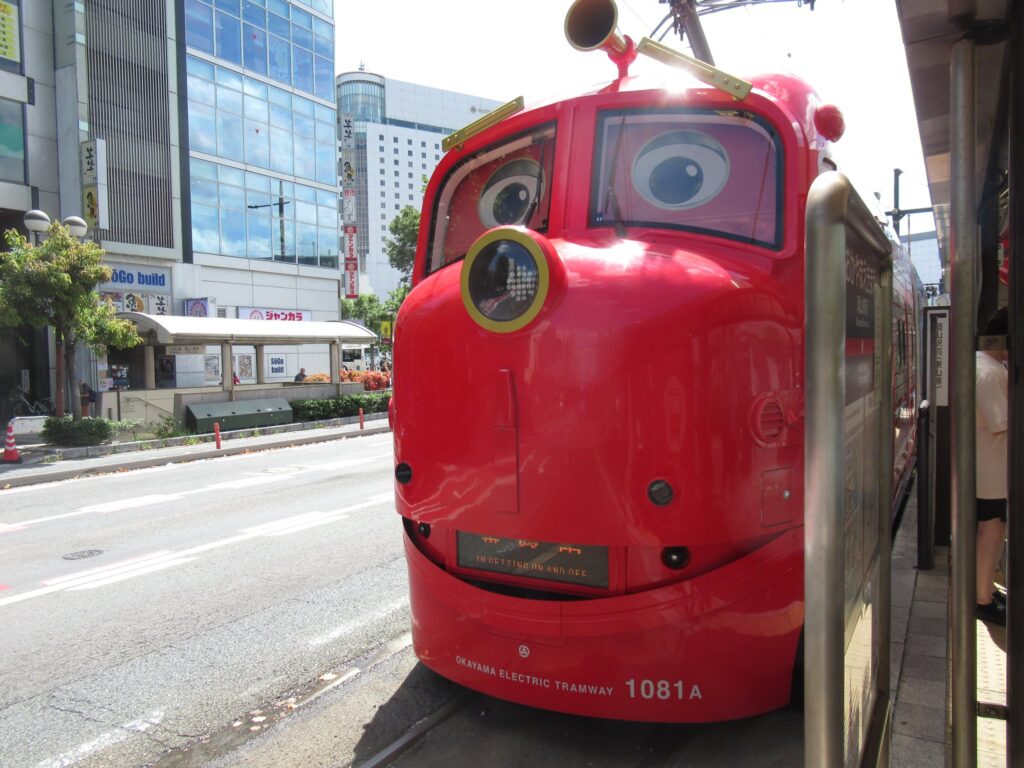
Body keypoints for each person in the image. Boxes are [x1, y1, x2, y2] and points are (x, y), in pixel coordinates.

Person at [975, 307, 1008, 626]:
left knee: (991, 530)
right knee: (992, 530)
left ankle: (984, 589)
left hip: (985, 470)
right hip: (992, 472)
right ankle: (983, 597)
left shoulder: (980, 366)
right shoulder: (991, 373)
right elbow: (1002, 424)